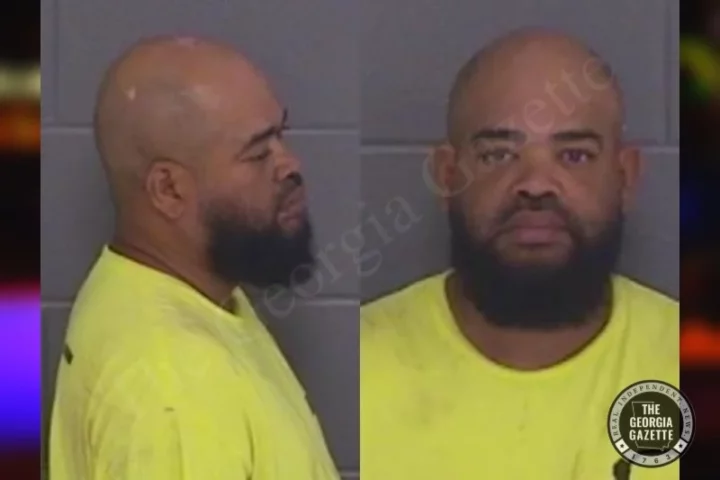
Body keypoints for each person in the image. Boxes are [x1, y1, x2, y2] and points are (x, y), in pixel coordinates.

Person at [361, 29, 679, 479]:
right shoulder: (361, 364)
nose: (535, 184)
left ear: (625, 177)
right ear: (447, 177)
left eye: (574, 155)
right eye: (498, 155)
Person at [49, 35, 340, 480]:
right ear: (168, 189)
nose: (290, 165)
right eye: (258, 153)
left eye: (281, 135)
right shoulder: (175, 390)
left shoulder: (186, 290)